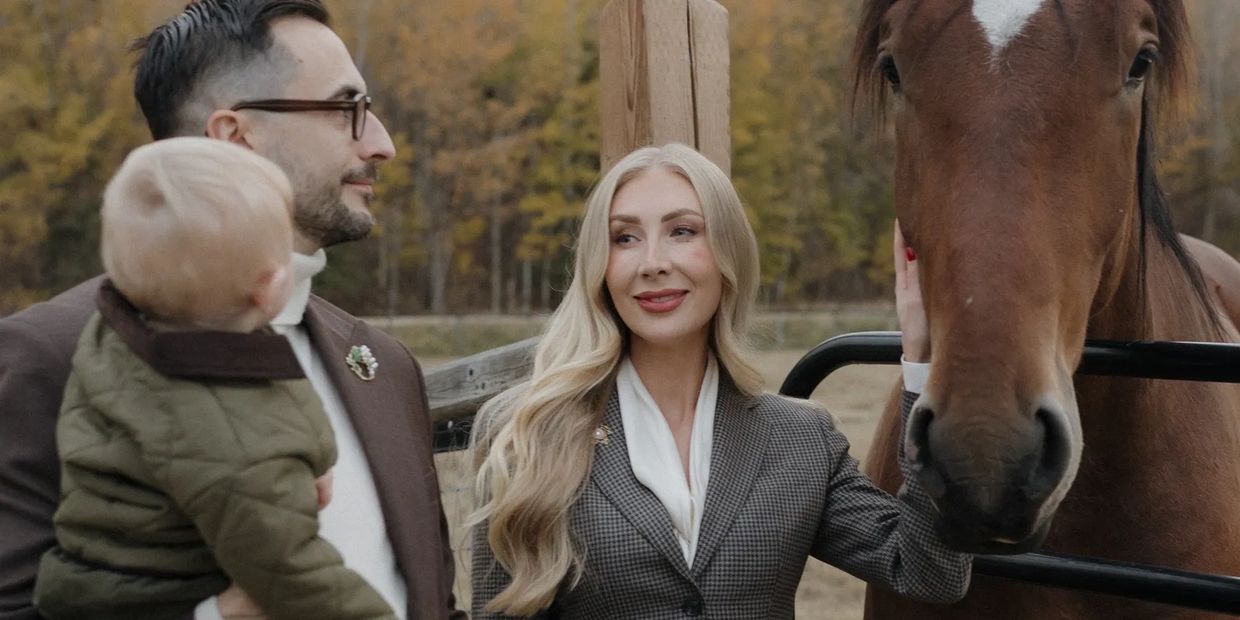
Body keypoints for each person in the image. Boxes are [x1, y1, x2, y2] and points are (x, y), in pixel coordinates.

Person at [0, 2, 463, 618]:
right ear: (235, 136)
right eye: (347, 109)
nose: (383, 144)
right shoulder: (44, 360)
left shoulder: (384, 366)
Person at [468, 143, 970, 618]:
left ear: (729, 253)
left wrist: (923, 361)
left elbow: (931, 572)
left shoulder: (801, 441)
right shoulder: (525, 430)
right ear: (600, 265)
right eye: (625, 238)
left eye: (682, 231)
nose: (653, 263)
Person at [31, 137, 395, 620]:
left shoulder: (122, 334)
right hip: (155, 594)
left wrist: (310, 456)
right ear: (269, 292)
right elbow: (289, 569)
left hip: (95, 573)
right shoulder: (227, 433)